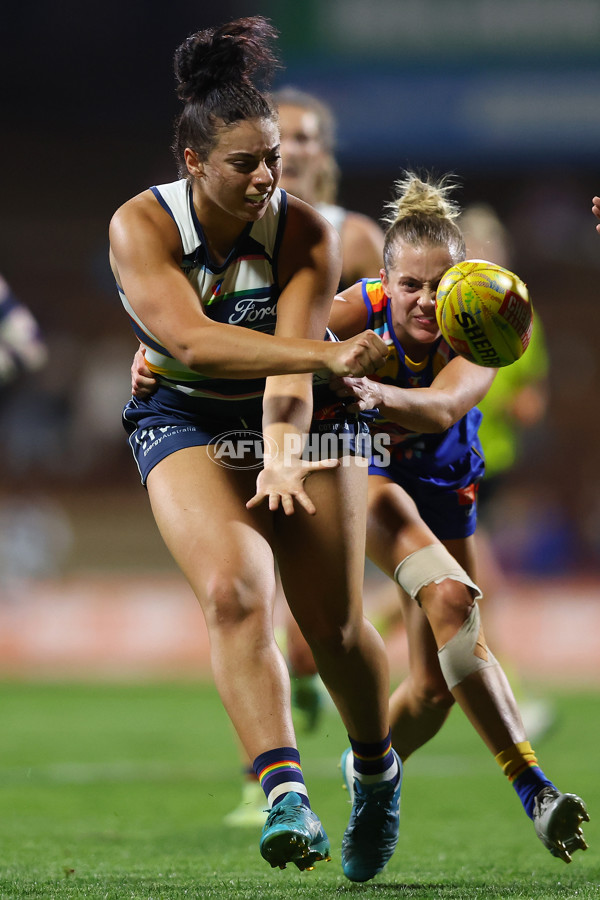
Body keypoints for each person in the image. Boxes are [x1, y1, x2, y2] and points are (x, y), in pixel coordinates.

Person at [131, 167, 590, 864]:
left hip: (443, 488)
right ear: (384, 281)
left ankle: (371, 768)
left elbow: (437, 408)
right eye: (410, 284)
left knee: (437, 684)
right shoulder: (355, 308)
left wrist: (368, 387)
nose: (426, 299)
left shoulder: (484, 329)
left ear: (463, 280)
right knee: (448, 595)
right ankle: (536, 790)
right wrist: (158, 353)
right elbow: (265, 343)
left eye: (441, 285)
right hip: (366, 472)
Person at [110, 17, 400, 883]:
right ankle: (285, 795)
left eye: (273, 156)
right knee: (236, 593)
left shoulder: (304, 232)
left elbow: (288, 380)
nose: (268, 175)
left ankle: (376, 774)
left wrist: (281, 451)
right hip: (185, 412)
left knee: (336, 630)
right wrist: (323, 355)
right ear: (194, 163)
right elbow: (194, 346)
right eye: (246, 162)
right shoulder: (140, 226)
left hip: (300, 416)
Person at [458, 202, 553, 741]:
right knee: (478, 581)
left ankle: (308, 651)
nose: (487, 254)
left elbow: (531, 390)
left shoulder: (521, 315)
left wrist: (523, 403)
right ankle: (512, 695)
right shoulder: (448, 308)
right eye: (477, 245)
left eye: (494, 245)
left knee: (456, 579)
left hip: (494, 463)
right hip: (451, 457)